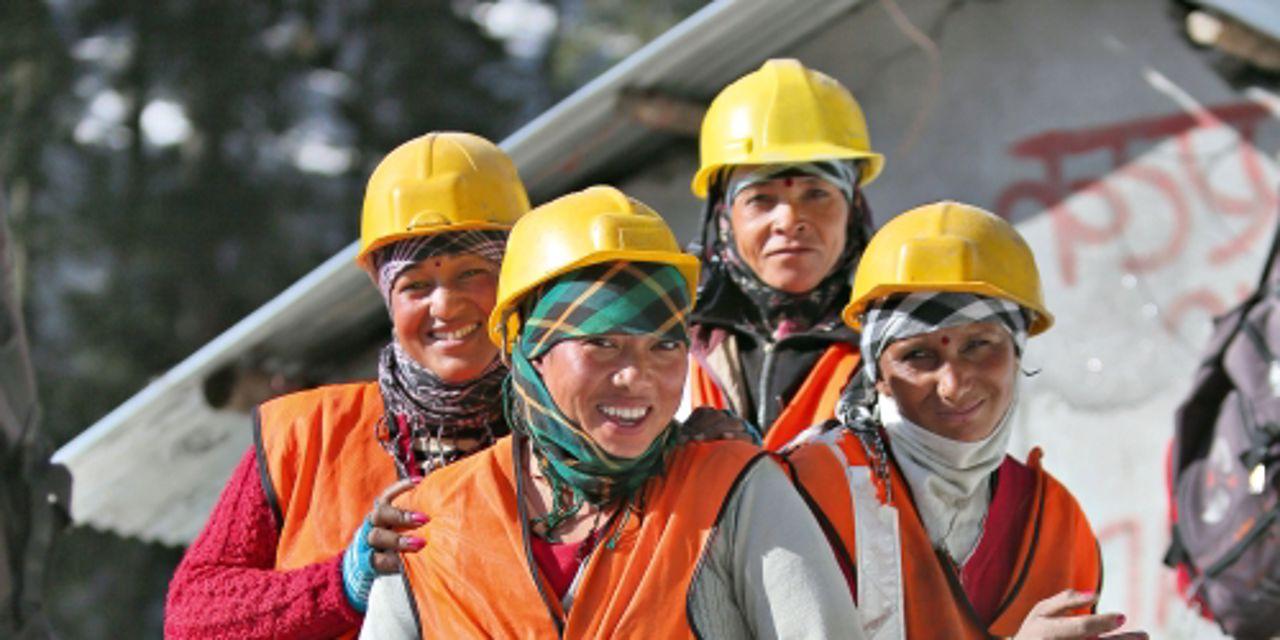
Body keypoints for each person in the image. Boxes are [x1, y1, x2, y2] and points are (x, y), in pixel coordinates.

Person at [360, 186, 862, 639]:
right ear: (525, 348)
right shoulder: (433, 519)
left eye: (664, 346)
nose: (635, 376)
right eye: (601, 343)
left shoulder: (735, 492)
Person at [164, 132, 530, 639]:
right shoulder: (301, 434)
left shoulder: (569, 433)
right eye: (416, 285)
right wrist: (343, 583)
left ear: (517, 276)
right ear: (385, 294)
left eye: (472, 273)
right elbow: (192, 617)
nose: (445, 306)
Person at [785, 201, 1146, 639]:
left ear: (1017, 353)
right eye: (918, 355)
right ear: (877, 374)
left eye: (979, 345)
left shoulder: (1054, 520)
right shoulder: (808, 491)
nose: (953, 384)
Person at [685, 58, 885, 449]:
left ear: (853, 209)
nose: (790, 220)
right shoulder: (669, 338)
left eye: (817, 194)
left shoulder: (896, 342)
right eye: (761, 199)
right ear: (724, 216)